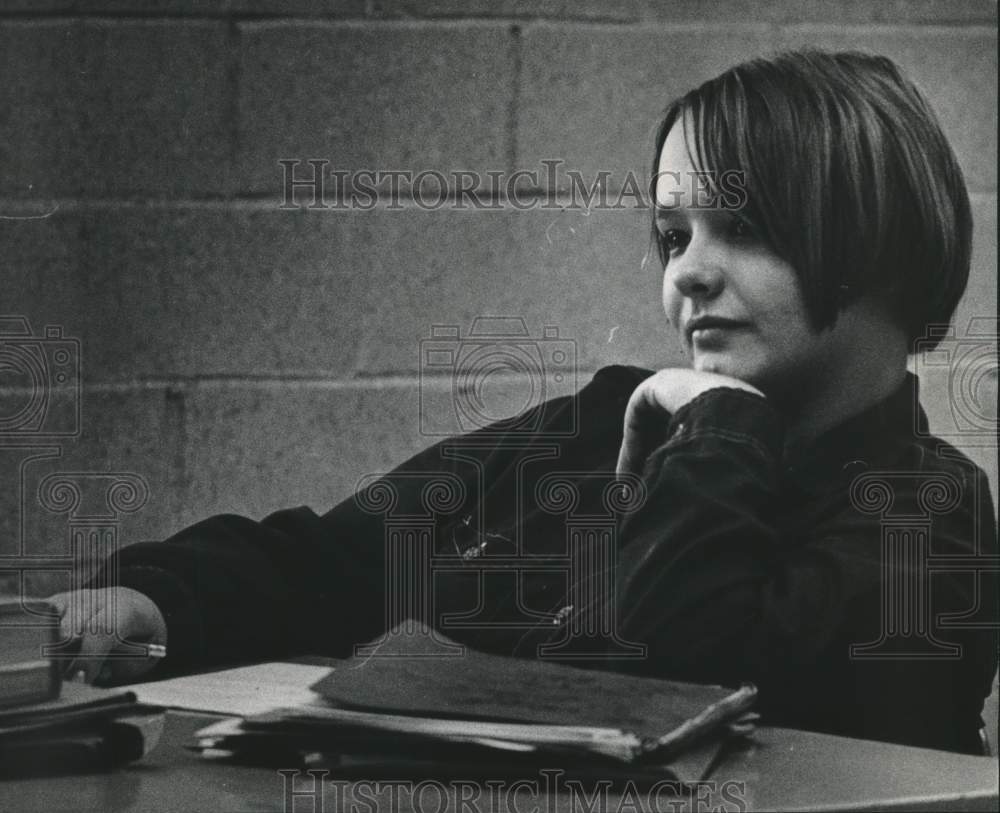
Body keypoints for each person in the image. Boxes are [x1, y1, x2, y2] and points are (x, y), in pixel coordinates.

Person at [48, 49, 997, 755]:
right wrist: (150, 595)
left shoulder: (928, 518)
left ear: (878, 242)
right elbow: (338, 557)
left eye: (740, 228)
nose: (689, 274)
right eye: (673, 235)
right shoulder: (590, 429)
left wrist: (720, 427)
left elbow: (667, 680)